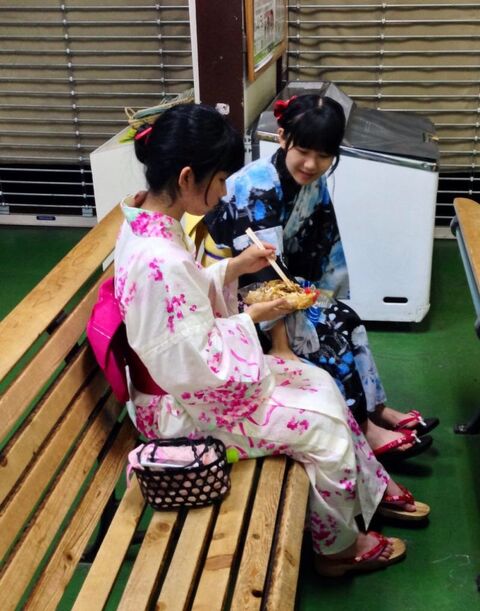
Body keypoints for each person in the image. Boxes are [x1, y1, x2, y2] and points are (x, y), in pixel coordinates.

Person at [114, 102, 418, 576]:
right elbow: (192, 361)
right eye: (220, 180)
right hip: (179, 410)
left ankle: (363, 495)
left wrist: (233, 268)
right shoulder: (161, 259)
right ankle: (336, 549)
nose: (224, 192)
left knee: (319, 382)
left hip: (183, 384)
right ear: (189, 177)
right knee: (324, 427)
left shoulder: (145, 226)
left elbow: (182, 315)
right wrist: (251, 316)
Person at [202, 94, 439, 463]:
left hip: (282, 287)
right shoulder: (256, 187)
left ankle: (376, 409)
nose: (312, 164)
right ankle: (364, 430)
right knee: (325, 337)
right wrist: (282, 346)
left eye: (324, 156)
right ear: (282, 138)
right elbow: (260, 274)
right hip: (238, 300)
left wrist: (321, 299)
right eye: (304, 151)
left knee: (346, 319)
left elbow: (321, 240)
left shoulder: (309, 181)